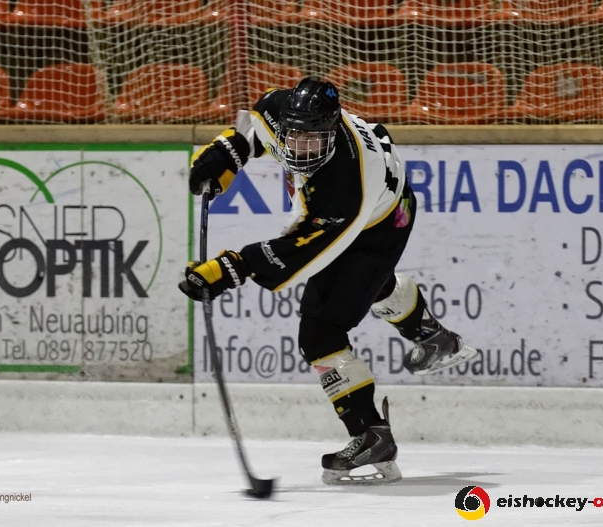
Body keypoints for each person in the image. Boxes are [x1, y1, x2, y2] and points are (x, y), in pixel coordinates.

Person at [178, 78, 476, 485]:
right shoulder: (279, 107)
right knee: (363, 285)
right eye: (294, 137)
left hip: (379, 224)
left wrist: (232, 268)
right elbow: (252, 128)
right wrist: (224, 154)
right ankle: (430, 334)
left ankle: (370, 434)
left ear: (332, 131)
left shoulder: (345, 189)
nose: (300, 149)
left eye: (313, 140)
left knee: (321, 330)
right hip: (387, 194)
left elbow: (300, 252)